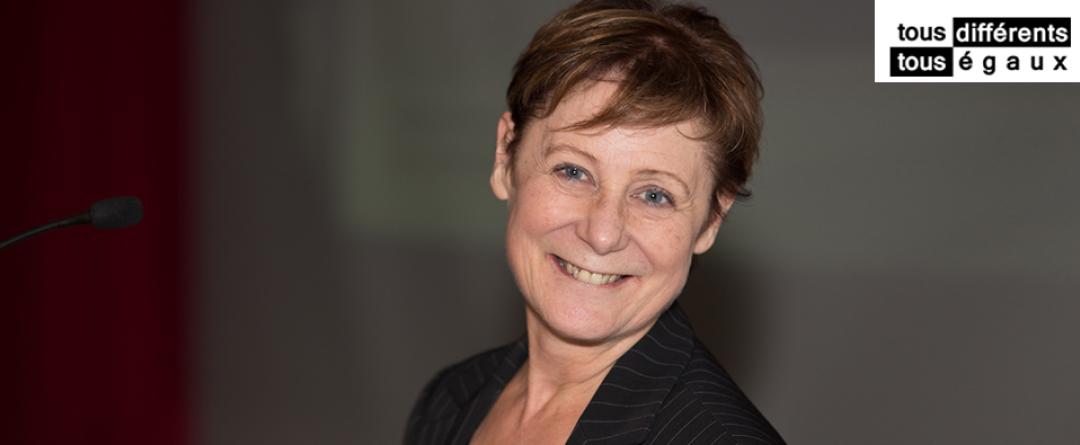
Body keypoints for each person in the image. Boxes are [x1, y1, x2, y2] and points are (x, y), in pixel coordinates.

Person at [405, 0, 784, 443]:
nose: (602, 234)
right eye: (573, 172)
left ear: (712, 219)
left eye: (654, 195)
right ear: (505, 156)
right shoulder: (448, 402)